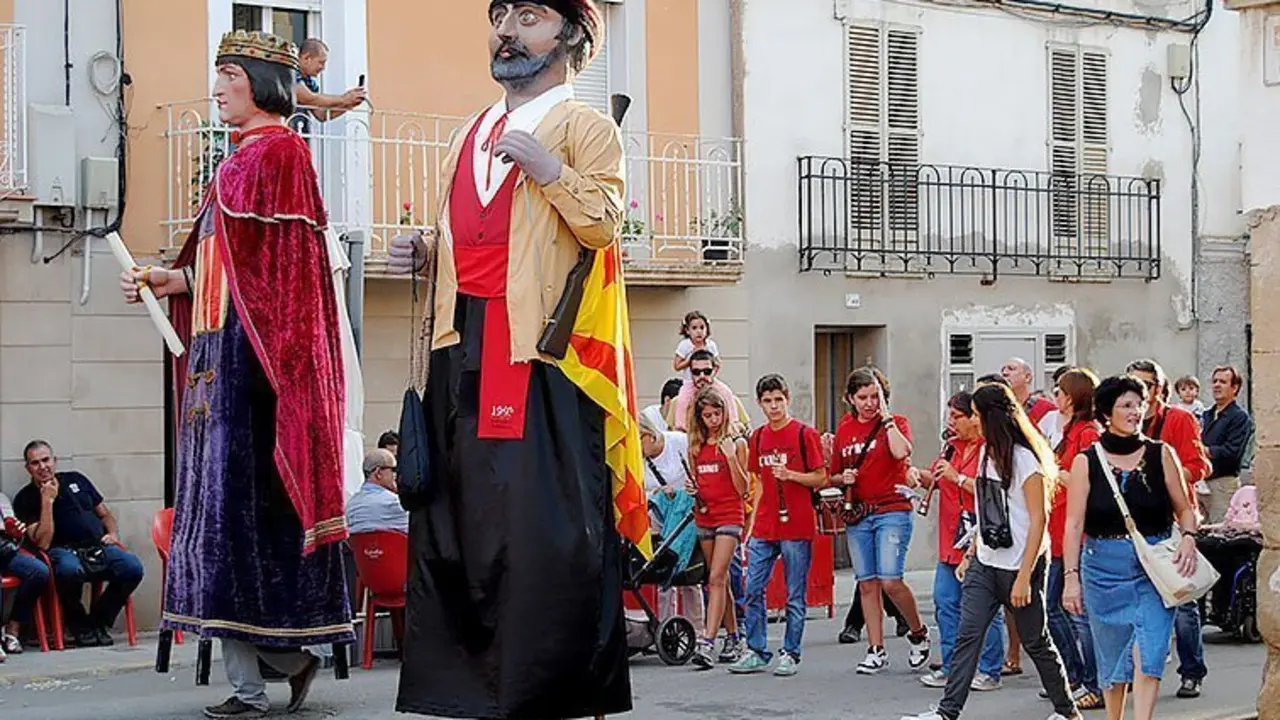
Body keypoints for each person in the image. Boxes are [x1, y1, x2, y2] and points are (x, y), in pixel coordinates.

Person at [385, 2, 649, 717]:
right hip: (459, 345)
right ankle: (470, 692)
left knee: (540, 529)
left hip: (541, 354)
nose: (507, 31)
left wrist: (552, 168)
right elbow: (468, 237)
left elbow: (602, 225)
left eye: (529, 16)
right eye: (501, 15)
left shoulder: (588, 129)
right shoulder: (469, 132)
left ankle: (549, 690)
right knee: (461, 523)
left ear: (569, 35)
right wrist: (426, 252)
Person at [118, 31, 352, 718]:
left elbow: (283, 284)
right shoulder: (237, 164)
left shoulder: (280, 156)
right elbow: (223, 271)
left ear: (260, 80)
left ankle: (267, 674)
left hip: (254, 375)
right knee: (219, 526)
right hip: (219, 369)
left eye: (227, 74)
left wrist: (272, 374)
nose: (216, 88)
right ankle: (274, 668)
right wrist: (168, 278)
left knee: (245, 524)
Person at [901, 384, 1081, 720]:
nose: (973, 422)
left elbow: (1039, 519)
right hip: (987, 560)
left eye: (976, 415)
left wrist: (1025, 577)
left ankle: (1067, 711)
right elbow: (988, 509)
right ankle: (947, 712)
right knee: (969, 636)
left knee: (1036, 641)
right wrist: (972, 550)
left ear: (992, 417)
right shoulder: (988, 453)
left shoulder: (1026, 459)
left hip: (1020, 565)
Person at [1062, 375, 1201, 720]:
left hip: (1153, 567)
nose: (1135, 411)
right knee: (1111, 659)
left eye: (1139, 404)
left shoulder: (1160, 454)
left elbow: (1184, 507)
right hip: (1102, 570)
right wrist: (1070, 577)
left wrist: (1188, 536)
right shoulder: (1086, 461)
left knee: (1149, 653)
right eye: (1126, 405)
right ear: (1107, 413)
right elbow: (1074, 524)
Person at [831, 367, 931, 675]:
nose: (869, 403)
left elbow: (901, 451)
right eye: (862, 397)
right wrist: (841, 477)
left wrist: (887, 418)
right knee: (867, 583)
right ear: (850, 398)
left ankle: (918, 632)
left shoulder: (896, 423)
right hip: (860, 512)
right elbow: (832, 472)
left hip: (892, 509)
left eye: (875, 396)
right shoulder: (845, 428)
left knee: (890, 579)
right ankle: (875, 649)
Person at [1125, 359, 1212, 700]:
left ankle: (1191, 671)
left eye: (1144, 384)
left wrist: (1166, 477)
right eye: (1132, 383)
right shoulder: (1124, 420)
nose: (1137, 390)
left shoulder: (1178, 419)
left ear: (1159, 389)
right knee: (1138, 601)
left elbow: (1200, 465)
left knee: (1183, 602)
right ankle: (1143, 669)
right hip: (1135, 524)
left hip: (1172, 521)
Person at [729, 374, 826, 677]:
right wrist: (753, 521)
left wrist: (792, 475)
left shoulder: (804, 434)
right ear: (759, 403)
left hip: (797, 524)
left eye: (778, 400)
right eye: (768, 401)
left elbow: (821, 477)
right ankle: (757, 649)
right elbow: (757, 483)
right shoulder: (758, 437)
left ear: (787, 399)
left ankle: (791, 653)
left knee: (794, 594)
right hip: (766, 525)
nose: (774, 407)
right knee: (752, 588)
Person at [12, 441, 145, 650]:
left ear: (55, 461)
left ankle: (98, 621)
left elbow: (105, 514)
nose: (42, 467)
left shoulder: (76, 479)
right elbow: (43, 542)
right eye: (35, 463)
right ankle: (79, 624)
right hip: (61, 551)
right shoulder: (25, 498)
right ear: (28, 468)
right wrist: (47, 501)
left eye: (46, 460)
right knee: (68, 571)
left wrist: (112, 533)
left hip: (97, 546)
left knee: (132, 568)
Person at [918, 392, 1007, 692]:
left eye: (957, 417)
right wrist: (918, 477)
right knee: (945, 601)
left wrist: (956, 479)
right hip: (951, 536)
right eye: (950, 417)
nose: (951, 422)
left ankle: (989, 669)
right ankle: (952, 665)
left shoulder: (990, 449)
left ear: (974, 418)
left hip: (978, 535)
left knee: (981, 605)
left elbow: (990, 491)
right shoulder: (952, 447)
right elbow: (939, 478)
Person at [1045, 369, 1104, 709]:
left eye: (1060, 391)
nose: (1055, 397)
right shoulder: (1068, 431)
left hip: (1076, 533)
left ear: (1072, 396)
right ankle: (1076, 676)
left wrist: (1057, 473)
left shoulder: (1087, 433)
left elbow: (1091, 483)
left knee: (1075, 613)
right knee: (1053, 610)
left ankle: (1091, 682)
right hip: (1058, 531)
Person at [685, 387, 748, 668]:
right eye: (707, 415)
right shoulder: (695, 447)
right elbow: (697, 482)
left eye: (717, 413)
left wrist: (732, 457)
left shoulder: (736, 443)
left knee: (717, 577)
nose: (712, 419)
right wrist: (692, 488)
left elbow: (743, 489)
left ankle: (708, 641)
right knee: (716, 580)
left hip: (729, 515)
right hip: (704, 514)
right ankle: (734, 636)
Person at [638, 414, 704, 637]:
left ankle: (697, 629)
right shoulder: (638, 461)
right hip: (661, 512)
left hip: (688, 512)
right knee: (662, 572)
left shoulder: (678, 442)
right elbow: (640, 490)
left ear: (648, 435)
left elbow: (698, 468)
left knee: (688, 575)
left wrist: (687, 490)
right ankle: (666, 628)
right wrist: (656, 492)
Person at [1200, 365, 1254, 524]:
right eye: (1214, 381)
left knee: (1220, 534)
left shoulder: (1240, 417)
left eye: (1222, 382)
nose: (1216, 385)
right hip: (1200, 482)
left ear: (1234, 387)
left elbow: (1232, 452)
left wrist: (1204, 451)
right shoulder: (1206, 414)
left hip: (1222, 484)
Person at [1, 491, 51, 660]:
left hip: (4, 549)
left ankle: (13, 629)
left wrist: (15, 529)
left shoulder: (1, 498)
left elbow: (11, 523)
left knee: (38, 571)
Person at [673, 350, 751, 432]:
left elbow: (732, 424)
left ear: (715, 370)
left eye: (707, 371)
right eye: (696, 372)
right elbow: (681, 427)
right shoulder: (685, 392)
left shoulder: (724, 391)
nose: (702, 376)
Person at [294, 38, 366, 123]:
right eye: (321, 62)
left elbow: (321, 115)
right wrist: (345, 98)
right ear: (307, 58)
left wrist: (349, 104)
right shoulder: (291, 72)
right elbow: (310, 99)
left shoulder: (310, 83)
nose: (323, 68)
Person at [672, 311, 720, 424]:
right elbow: (676, 365)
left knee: (725, 392)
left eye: (702, 327)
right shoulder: (685, 345)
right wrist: (690, 360)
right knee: (683, 399)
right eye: (694, 328)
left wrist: (710, 375)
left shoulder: (711, 345)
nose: (699, 331)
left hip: (709, 381)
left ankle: (733, 422)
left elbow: (718, 364)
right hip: (690, 382)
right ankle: (681, 425)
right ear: (687, 330)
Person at [347, 449, 409, 535]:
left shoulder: (350, 506)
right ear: (378, 472)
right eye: (394, 469)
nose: (397, 474)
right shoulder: (398, 504)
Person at [1002, 358, 1056, 425]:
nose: (1005, 373)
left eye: (1011, 369)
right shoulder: (997, 408)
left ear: (1027, 377)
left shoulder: (1047, 408)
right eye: (1003, 370)